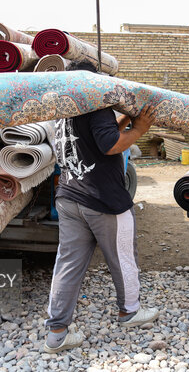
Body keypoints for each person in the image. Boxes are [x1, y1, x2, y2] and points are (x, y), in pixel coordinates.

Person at [44, 60, 160, 353]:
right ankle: (130, 311)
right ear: (94, 81)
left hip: (69, 197)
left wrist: (122, 123)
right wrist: (141, 129)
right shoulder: (96, 104)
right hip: (103, 199)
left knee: (68, 264)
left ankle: (56, 332)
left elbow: (91, 139)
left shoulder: (61, 110)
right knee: (123, 257)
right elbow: (108, 145)